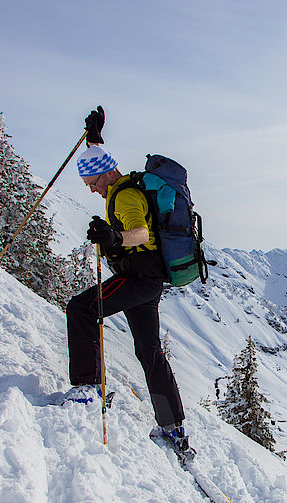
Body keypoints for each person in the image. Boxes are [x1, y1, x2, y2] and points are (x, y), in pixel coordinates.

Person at [64, 107, 194, 461]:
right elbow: (101, 163)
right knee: (149, 351)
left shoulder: (125, 196)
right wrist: (93, 138)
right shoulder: (118, 188)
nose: (91, 190)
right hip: (146, 280)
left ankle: (88, 389)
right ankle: (173, 428)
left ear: (105, 175)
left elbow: (141, 233)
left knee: (81, 308)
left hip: (138, 277)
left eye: (91, 183)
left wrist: (113, 236)